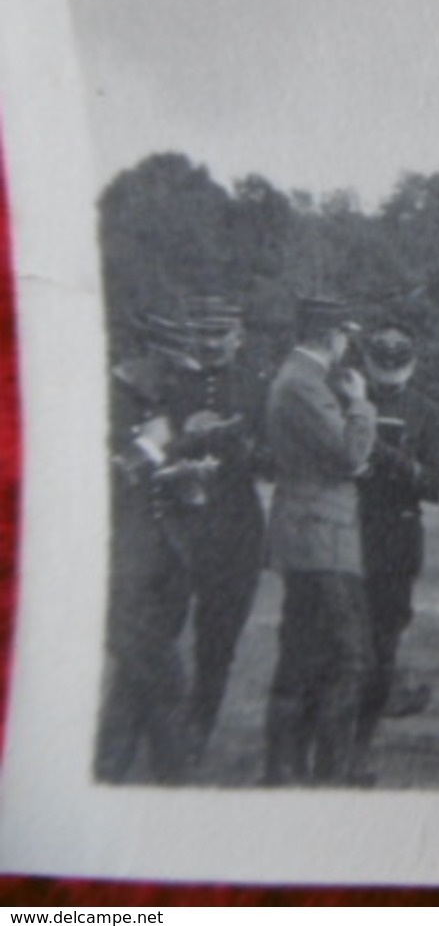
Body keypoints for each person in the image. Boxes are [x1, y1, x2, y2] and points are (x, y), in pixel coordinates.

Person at [261, 296, 378, 787]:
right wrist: (361, 406)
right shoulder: (305, 383)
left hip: (315, 535)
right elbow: (350, 456)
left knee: (309, 651)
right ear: (331, 336)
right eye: (344, 335)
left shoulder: (298, 379)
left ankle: (290, 770)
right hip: (320, 538)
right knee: (347, 654)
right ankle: (322, 771)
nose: (346, 344)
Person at [155, 296, 270, 767]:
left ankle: (198, 730)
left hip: (235, 525)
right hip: (175, 522)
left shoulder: (258, 386)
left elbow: (274, 456)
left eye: (221, 334)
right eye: (203, 333)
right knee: (159, 632)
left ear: (239, 338)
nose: (211, 343)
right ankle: (162, 726)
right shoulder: (169, 383)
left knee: (218, 639)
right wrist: (183, 450)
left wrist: (247, 451)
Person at [95, 314, 210, 784]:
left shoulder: (149, 402)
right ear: (141, 355)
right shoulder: (100, 400)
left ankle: (106, 776)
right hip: (118, 576)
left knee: (132, 689)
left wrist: (186, 480)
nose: (174, 381)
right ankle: (175, 789)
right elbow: (95, 485)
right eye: (167, 368)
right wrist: (149, 451)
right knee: (166, 683)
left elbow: (151, 482)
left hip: (161, 568)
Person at [351, 319, 439, 780]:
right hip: (349, 533)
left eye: (397, 364)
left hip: (397, 538)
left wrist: (392, 459)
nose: (388, 373)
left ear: (412, 363)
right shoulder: (347, 398)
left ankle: (360, 747)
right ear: (366, 362)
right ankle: (338, 749)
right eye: (379, 363)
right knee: (344, 647)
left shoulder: (426, 412)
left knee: (384, 646)